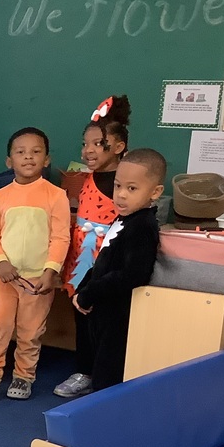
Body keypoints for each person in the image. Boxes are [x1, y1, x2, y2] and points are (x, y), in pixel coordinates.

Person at [0, 128, 70, 402]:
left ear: (47, 159)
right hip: (4, 279)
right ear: (8, 160)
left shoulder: (56, 195)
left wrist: (51, 272)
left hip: (37, 281)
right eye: (20, 152)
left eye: (36, 152)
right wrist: (0, 264)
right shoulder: (1, 196)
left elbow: (61, 237)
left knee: (30, 331)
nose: (28, 157)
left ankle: (24, 377)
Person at [55, 95, 131, 398]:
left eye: (97, 144)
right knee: (81, 316)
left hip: (106, 264)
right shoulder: (88, 177)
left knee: (105, 321)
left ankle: (103, 377)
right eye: (85, 144)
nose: (88, 150)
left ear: (118, 147)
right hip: (81, 260)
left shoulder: (124, 182)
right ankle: (83, 370)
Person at [73, 149, 164, 391]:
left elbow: (132, 274)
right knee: (98, 364)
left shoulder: (143, 226)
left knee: (108, 376)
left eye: (132, 189)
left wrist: (91, 292)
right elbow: (104, 259)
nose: (121, 195)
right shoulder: (123, 218)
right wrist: (84, 287)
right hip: (102, 310)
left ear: (155, 192)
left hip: (119, 315)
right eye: (117, 186)